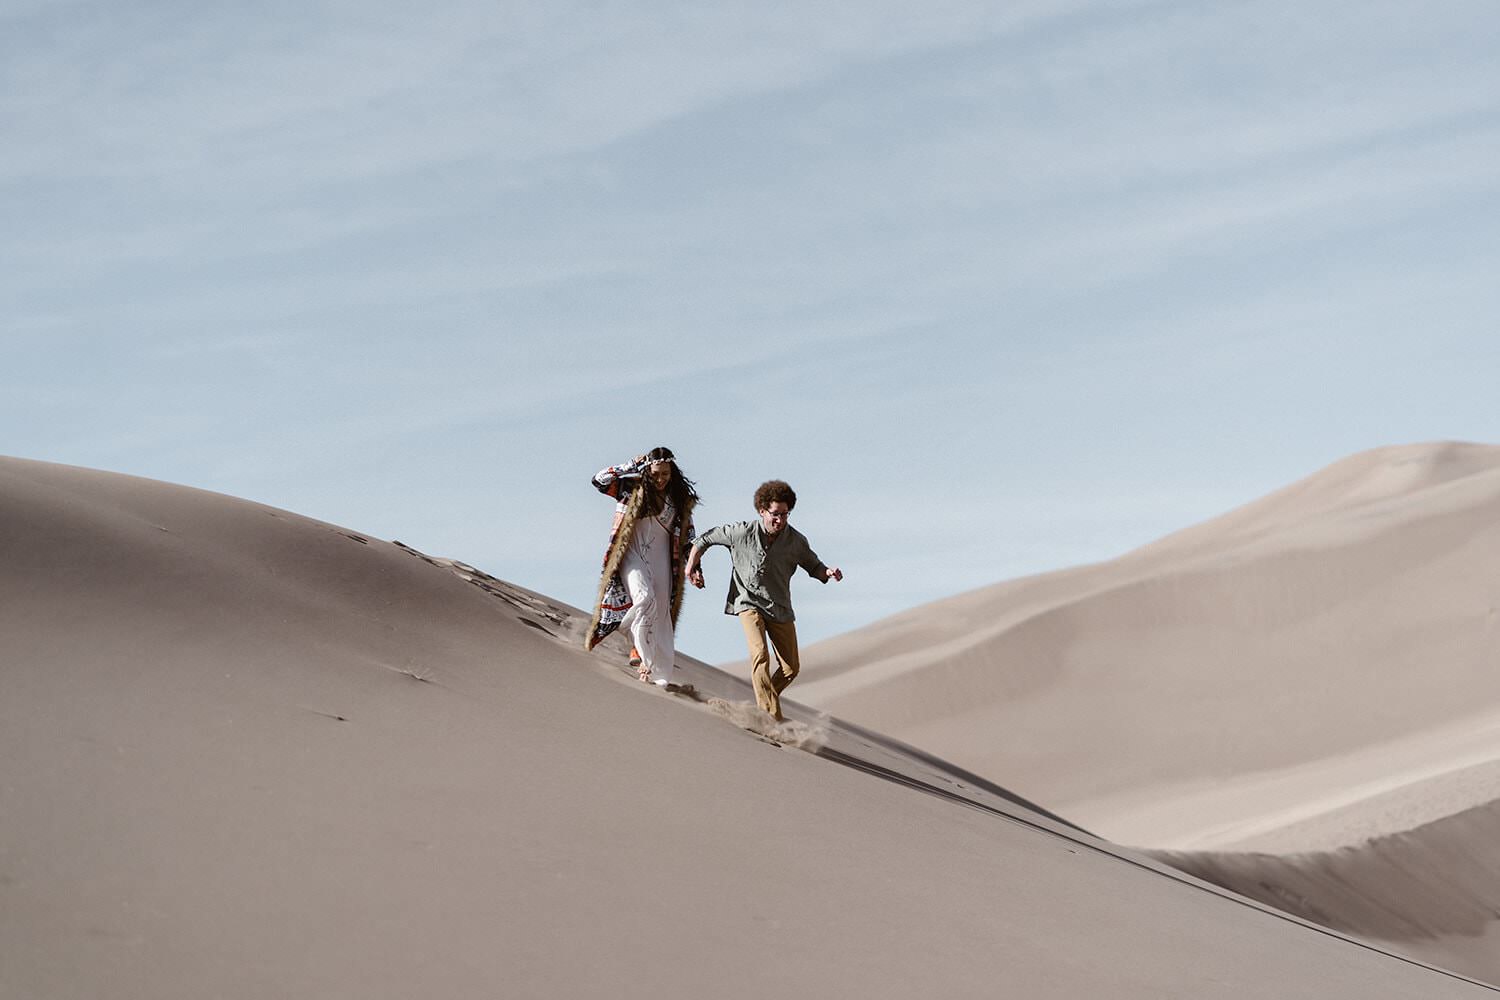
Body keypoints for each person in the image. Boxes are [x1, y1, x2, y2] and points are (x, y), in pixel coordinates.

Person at [685, 479, 842, 720]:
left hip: (779, 608)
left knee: (791, 668)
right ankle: (772, 720)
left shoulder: (796, 541)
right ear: (762, 511)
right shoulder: (742, 532)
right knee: (760, 655)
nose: (780, 520)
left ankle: (761, 707)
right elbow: (704, 539)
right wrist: (692, 567)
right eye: (775, 514)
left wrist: (828, 572)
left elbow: (814, 565)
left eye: (785, 514)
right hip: (748, 602)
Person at [585, 447, 698, 691]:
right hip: (632, 554)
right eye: (656, 474)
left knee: (661, 615)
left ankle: (658, 673)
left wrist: (693, 564)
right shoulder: (630, 487)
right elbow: (599, 480)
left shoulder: (678, 498)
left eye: (665, 474)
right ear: (647, 470)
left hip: (662, 560)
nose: (660, 479)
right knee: (644, 599)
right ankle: (643, 661)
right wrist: (628, 466)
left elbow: (688, 535)